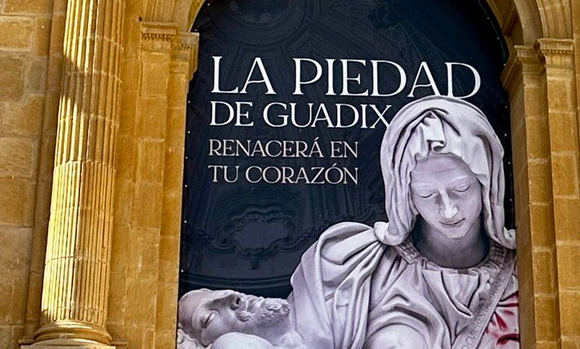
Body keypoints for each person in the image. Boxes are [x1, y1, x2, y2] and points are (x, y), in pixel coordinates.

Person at [289, 97, 519, 349]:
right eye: (426, 194)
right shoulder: (349, 267)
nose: (449, 210)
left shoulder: (533, 272)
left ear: (487, 184)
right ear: (404, 194)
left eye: (461, 188)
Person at [176, 289, 305, 349]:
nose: (236, 297)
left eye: (224, 292)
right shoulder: (231, 344)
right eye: (210, 316)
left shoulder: (316, 305)